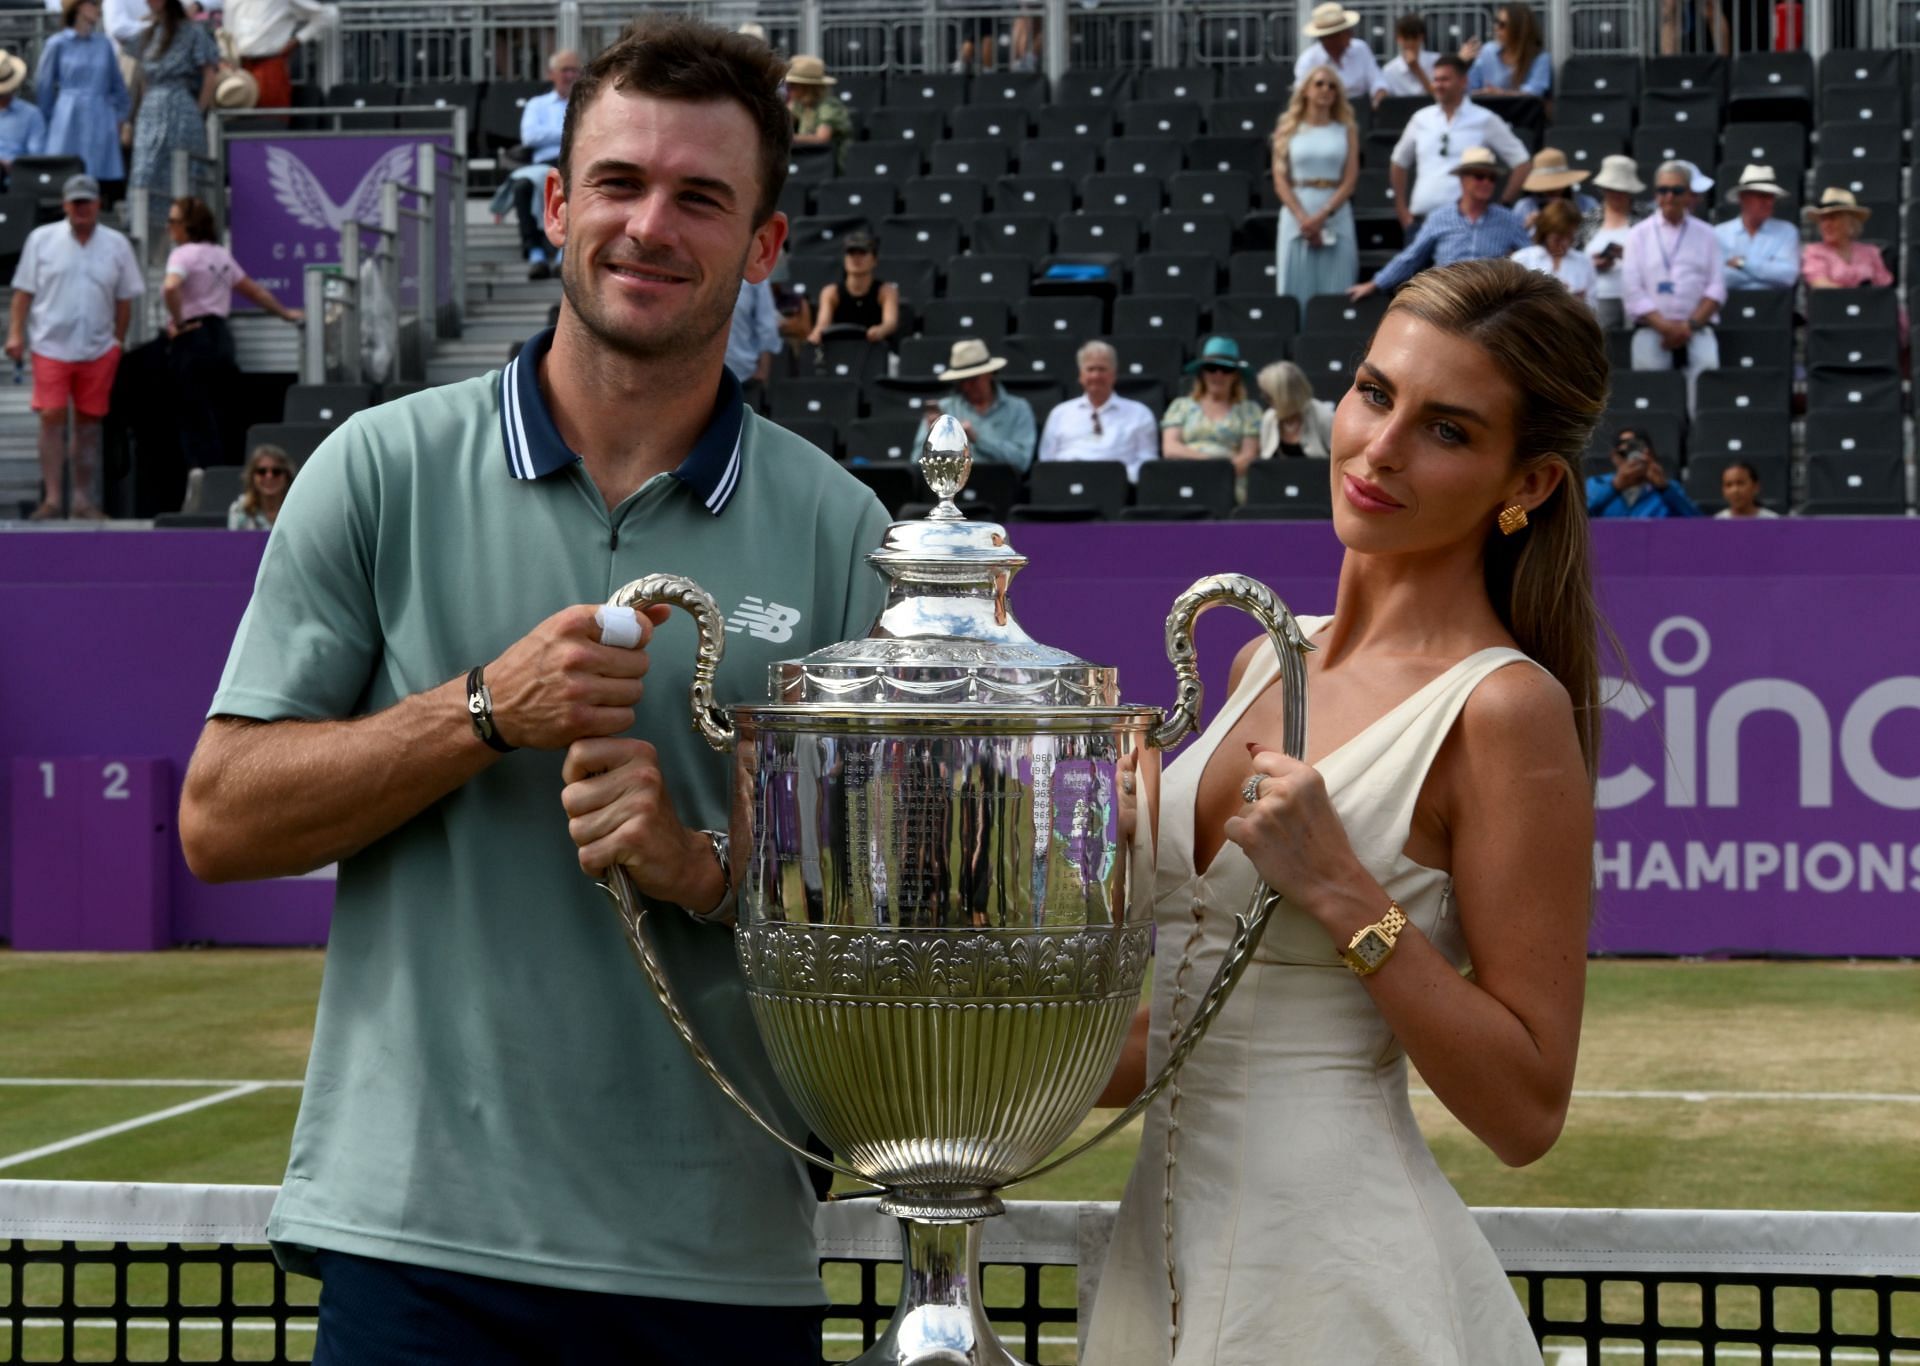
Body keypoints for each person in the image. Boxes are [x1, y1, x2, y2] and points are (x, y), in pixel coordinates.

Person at [176, 19, 892, 1362]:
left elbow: (886, 919)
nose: (649, 226)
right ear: (557, 203)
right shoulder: (375, 469)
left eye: (701, 197)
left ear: (765, 247)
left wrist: (705, 862)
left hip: (722, 1262)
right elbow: (221, 821)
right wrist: (484, 711)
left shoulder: (846, 531)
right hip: (420, 1253)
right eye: (618, 183)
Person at [1085, 258, 1604, 1363]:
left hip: (1337, 1291)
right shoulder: (1256, 663)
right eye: (1375, 393)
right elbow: (1166, 1038)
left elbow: (1526, 1109)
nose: (1380, 447)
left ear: (1531, 484)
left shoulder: (1505, 708)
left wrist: (1342, 890)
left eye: (1449, 430)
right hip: (1157, 1266)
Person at [5, 174, 142, 520]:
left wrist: (116, 342)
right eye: (76, 202)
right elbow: (23, 293)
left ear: (98, 204)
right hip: (51, 344)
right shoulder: (42, 239)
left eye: (88, 202)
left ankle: (83, 500)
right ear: (65, 205)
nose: (82, 209)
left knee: (88, 424)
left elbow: (125, 299)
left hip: (98, 347)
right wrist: (15, 334)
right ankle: (52, 498)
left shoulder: (116, 244)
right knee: (51, 418)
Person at [162, 195, 303, 471]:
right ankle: (223, 477)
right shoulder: (221, 255)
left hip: (192, 337)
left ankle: (201, 479)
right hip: (220, 339)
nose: (169, 227)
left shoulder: (182, 254)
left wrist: (178, 322)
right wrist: (286, 314)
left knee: (193, 415)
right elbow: (255, 292)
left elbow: (170, 286)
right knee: (220, 412)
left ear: (188, 225)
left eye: (173, 221)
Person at [1352, 146, 1531, 300]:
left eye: (1491, 178)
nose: (1486, 182)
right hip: (1448, 296)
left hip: (1492, 299)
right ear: (1463, 179)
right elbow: (1412, 257)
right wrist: (1375, 283)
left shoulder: (1508, 219)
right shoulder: (1440, 217)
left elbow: (1533, 256)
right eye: (1479, 176)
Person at [1622, 160, 1725, 412]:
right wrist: (1665, 327)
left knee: (1704, 398)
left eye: (1677, 190)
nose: (1669, 196)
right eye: (1663, 190)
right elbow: (1632, 290)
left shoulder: (1707, 234)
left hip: (1697, 329)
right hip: (1652, 329)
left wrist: (1687, 327)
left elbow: (1717, 287)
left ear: (1689, 194)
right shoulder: (1638, 234)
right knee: (1651, 400)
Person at [1389, 55, 1531, 225]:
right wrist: (1401, 210)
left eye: (1445, 79)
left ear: (1463, 81)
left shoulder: (1484, 119)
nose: (1438, 85)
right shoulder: (1420, 119)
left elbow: (1521, 161)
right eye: (1436, 80)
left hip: (1466, 222)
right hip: (1421, 220)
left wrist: (1504, 203)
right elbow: (1398, 162)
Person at [1271, 63, 1360, 304]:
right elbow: (1280, 179)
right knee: (1295, 286)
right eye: (1319, 83)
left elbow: (1350, 178)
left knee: (1338, 286)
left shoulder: (1346, 129)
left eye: (1332, 86)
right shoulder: (1287, 129)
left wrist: (1321, 216)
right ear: (1306, 90)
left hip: (1336, 212)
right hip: (1296, 213)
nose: (1326, 89)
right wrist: (1304, 219)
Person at [129, 0, 219, 219]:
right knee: (145, 172)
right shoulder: (148, 35)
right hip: (150, 110)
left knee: (182, 173)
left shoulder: (192, 32)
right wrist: (138, 115)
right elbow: (143, 80)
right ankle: (145, 232)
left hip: (181, 107)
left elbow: (209, 74)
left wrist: (198, 110)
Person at [38, 0, 131, 186]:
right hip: (68, 116)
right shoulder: (57, 44)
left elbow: (118, 85)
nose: (99, 9)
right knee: (65, 173)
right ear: (80, 6)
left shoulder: (103, 44)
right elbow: (44, 87)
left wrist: (119, 117)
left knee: (98, 176)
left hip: (101, 115)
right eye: (94, 4)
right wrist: (51, 121)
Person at [1035, 340, 1159, 480]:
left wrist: (1115, 478)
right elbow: (1046, 460)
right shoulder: (1060, 413)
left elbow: (1147, 460)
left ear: (1114, 374)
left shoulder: (1139, 413)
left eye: (1102, 369)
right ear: (1081, 375)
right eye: (1090, 369)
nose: (1096, 376)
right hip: (1065, 485)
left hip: (1117, 488)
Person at [509, 49, 578, 281]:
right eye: (564, 70)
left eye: (574, 70)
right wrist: (568, 132)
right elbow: (529, 137)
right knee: (521, 187)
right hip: (541, 165)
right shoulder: (537, 104)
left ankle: (563, 254)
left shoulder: (587, 103)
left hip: (574, 162)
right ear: (552, 74)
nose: (570, 75)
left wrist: (551, 135)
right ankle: (535, 253)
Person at [922, 338, 1036, 470]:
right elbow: (917, 462)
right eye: (961, 380)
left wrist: (977, 439)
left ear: (989, 374)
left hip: (1001, 485)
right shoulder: (944, 408)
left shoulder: (1018, 409)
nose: (967, 386)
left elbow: (1022, 461)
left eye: (973, 379)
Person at [1161, 335, 1262, 480]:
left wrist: (1220, 474)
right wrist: (1207, 463)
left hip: (1229, 480)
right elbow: (1170, 448)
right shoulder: (1181, 406)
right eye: (1211, 368)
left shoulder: (1250, 410)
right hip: (1184, 477)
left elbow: (1249, 455)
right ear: (1202, 373)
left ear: (1235, 375)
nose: (1218, 374)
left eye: (1226, 369)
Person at [223, 0, 336, 110]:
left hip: (269, 64)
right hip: (238, 65)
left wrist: (298, 40)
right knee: (236, 117)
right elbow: (227, 31)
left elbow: (327, 14)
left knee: (271, 118)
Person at [1714, 165, 1798, 293]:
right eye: (1762, 196)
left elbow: (1788, 276)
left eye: (1771, 197)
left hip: (1773, 307)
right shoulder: (1719, 233)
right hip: (1730, 306)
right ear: (1743, 198)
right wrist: (1766, 273)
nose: (1769, 202)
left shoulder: (1787, 231)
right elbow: (1717, 277)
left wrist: (1741, 264)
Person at [806, 230, 898, 346]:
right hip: (842, 350)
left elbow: (890, 323)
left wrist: (880, 331)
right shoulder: (831, 292)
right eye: (851, 253)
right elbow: (823, 323)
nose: (856, 258)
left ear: (874, 260)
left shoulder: (886, 291)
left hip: (876, 350)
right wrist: (817, 333)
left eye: (862, 253)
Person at [1586, 424, 1700, 517]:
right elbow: (1576, 517)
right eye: (1624, 453)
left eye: (1637, 450)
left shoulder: (1669, 488)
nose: (1632, 459)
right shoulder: (1597, 484)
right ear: (1614, 457)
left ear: (1651, 454)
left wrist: (1664, 489)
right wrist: (1614, 487)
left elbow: (1697, 525)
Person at [1584, 154, 1645, 330]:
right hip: (1599, 295)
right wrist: (1593, 263)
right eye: (1611, 189)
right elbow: (1573, 257)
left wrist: (1629, 254)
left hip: (1638, 295)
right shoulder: (1588, 219)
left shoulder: (1646, 218)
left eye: (1621, 189)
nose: (1616, 194)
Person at [1512, 200, 1596, 309]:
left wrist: (1577, 301)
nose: (1564, 243)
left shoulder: (1584, 261)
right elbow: (1512, 303)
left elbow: (1594, 305)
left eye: (1570, 237)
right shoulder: (1523, 259)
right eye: (1558, 238)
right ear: (1546, 232)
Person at [1294, 3, 1382, 102]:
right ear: (1329, 38)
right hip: (1326, 111)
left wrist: (1379, 97)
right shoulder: (1308, 60)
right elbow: (1302, 94)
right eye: (1346, 32)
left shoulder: (1361, 49)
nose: (1351, 34)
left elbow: (1377, 81)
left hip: (1362, 109)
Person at [1461, 1, 1552, 97]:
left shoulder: (1540, 58)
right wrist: (1460, 63)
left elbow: (1535, 92)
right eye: (1496, 22)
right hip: (1487, 110)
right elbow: (1467, 89)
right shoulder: (1487, 51)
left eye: (1502, 24)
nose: (1496, 28)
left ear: (1518, 28)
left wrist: (1500, 94)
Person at [1255, 359, 1335, 459]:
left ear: (1286, 396)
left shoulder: (1324, 416)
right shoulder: (1269, 419)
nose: (1264, 399)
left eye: (1268, 396)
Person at [786, 54, 850, 172]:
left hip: (831, 162)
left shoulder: (829, 105)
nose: (789, 89)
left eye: (794, 86)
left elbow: (821, 138)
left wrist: (790, 138)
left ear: (807, 87)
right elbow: (783, 125)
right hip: (808, 157)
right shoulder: (799, 104)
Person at [1513, 148, 1598, 228]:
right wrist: (1526, 226)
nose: (1551, 189)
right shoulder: (1525, 207)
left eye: (1556, 184)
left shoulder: (1587, 204)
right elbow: (1512, 237)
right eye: (1545, 184)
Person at [0, 50, 46, 191]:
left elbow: (36, 156)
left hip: (18, 179)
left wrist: (10, 165)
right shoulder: (32, 114)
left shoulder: (31, 114)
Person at [724, 275, 782, 387]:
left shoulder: (755, 277)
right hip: (740, 371)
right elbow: (767, 326)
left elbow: (767, 327)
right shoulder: (754, 274)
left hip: (742, 371)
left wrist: (763, 371)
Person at [227, 443, 295, 529]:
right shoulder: (239, 509)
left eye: (276, 471)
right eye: (262, 471)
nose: (269, 476)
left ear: (287, 476)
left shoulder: (297, 509)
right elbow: (235, 542)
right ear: (252, 476)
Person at [1376, 13, 1439, 101]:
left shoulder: (1436, 61)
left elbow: (1438, 96)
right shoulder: (1389, 70)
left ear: (1421, 37)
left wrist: (1417, 69)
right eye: (1406, 38)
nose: (1410, 43)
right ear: (1398, 39)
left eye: (1414, 37)